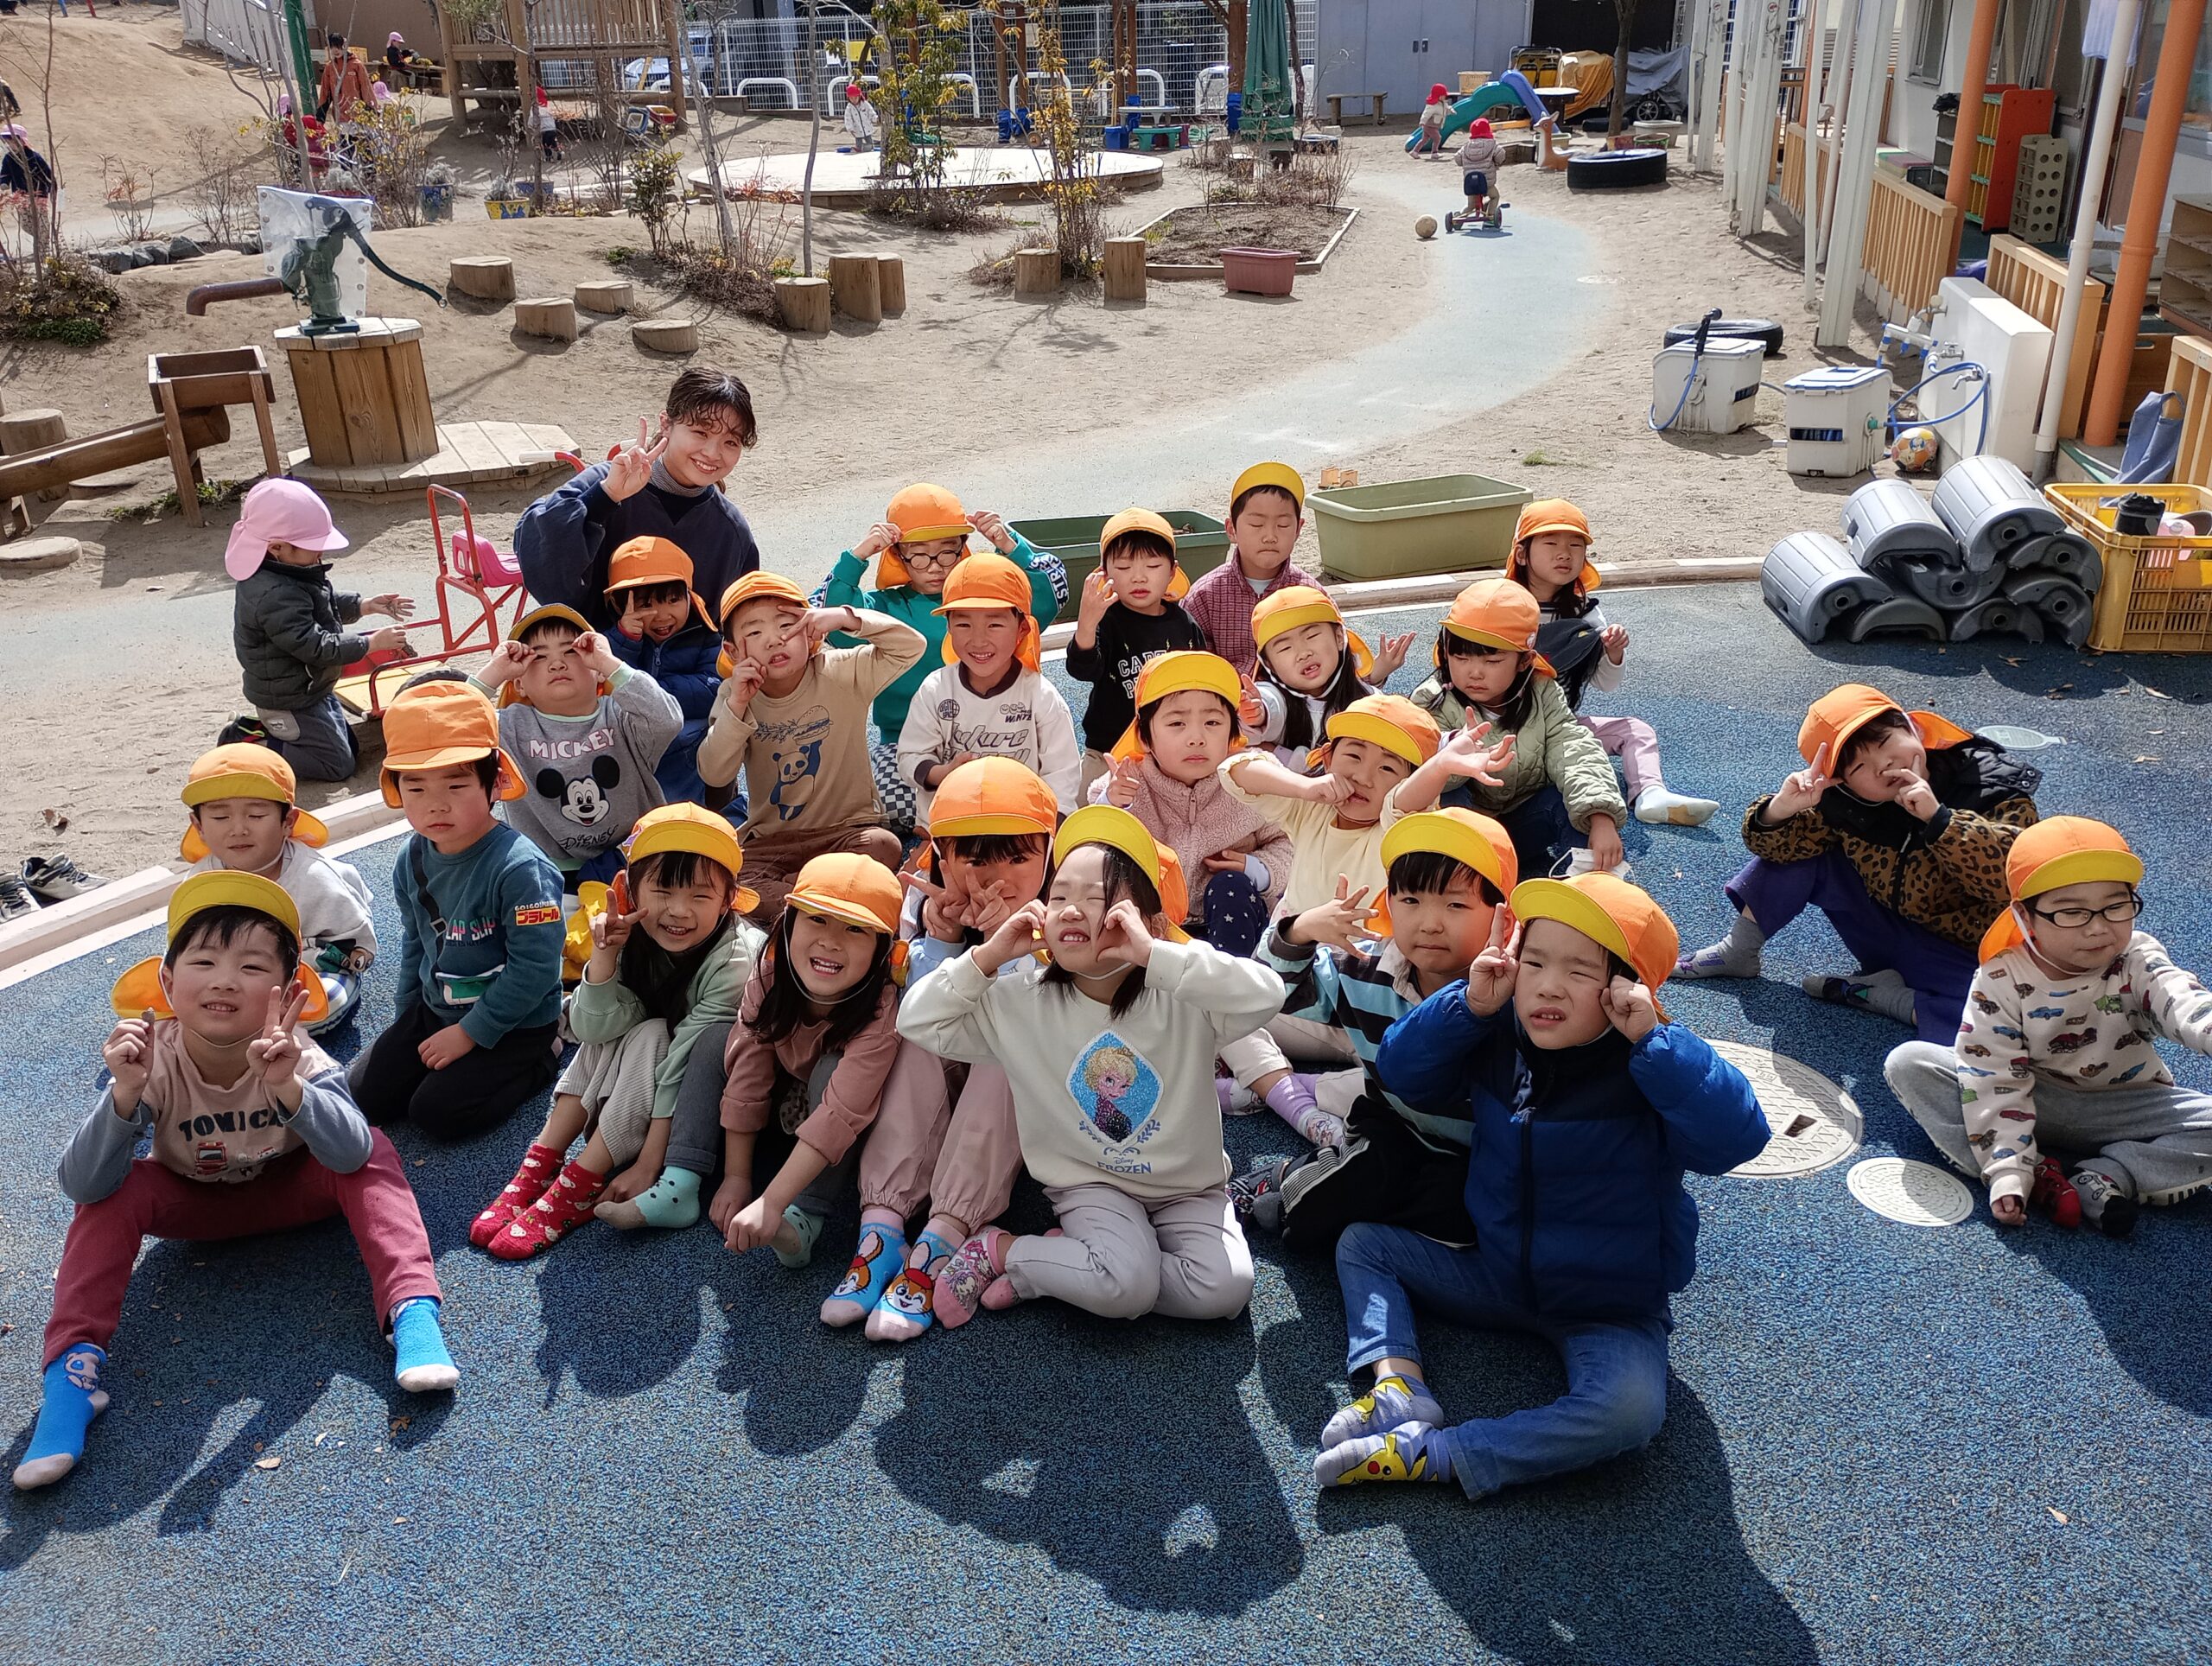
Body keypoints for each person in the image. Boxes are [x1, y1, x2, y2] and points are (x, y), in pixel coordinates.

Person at [1315, 873, 1767, 1495]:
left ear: (1626, 988)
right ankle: (1399, 1388)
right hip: (1497, 1273)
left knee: (1630, 1410)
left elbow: (1738, 1139)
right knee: (1364, 1244)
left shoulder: (1652, 1065)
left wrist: (1656, 1043)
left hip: (1607, 1308)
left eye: (1580, 971)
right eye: (1534, 962)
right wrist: (1468, 1007)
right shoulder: (1498, 1034)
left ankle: (1441, 1453)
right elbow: (1403, 1072)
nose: (1548, 985)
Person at [16, 874, 455, 1492]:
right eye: (203, 962)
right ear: (168, 982)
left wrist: (288, 1089)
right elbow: (83, 1186)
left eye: (251, 967)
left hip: (293, 1191)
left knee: (374, 1148)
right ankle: (71, 1379)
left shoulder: (297, 1054)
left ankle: (411, 1309)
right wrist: (124, 1097)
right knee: (113, 1194)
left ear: (289, 992)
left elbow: (352, 1153)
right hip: (197, 1204)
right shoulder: (153, 1059)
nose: (224, 980)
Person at [896, 806, 1286, 1323]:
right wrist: (988, 957)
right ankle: (1008, 1250)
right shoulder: (1021, 1000)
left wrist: (1156, 955)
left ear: (1145, 921)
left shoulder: (1182, 994)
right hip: (1091, 1184)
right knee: (1126, 1285)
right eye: (1059, 897)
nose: (1072, 910)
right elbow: (916, 1021)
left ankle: (1061, 1266)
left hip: (1188, 1188)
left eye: (1097, 898)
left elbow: (1268, 994)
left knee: (1224, 1291)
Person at [1885, 817, 2212, 1237]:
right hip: (2035, 1093)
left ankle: (2109, 1175)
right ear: (2025, 917)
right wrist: (2007, 1168)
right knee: (1911, 1063)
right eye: (2072, 912)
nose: (2098, 926)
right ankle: (2033, 1172)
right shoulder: (2001, 977)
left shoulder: (2136, 957)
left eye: (2116, 906)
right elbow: (1993, 1075)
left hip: (2124, 1104)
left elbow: (2180, 998)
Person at [1213, 695, 1511, 1145]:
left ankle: (1275, 1090)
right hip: (1307, 989)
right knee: (1217, 1004)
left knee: (1403, 1077)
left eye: (1388, 767)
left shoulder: (1399, 830)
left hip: (1374, 1001)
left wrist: (1440, 767)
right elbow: (1235, 770)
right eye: (1353, 755)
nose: (1364, 776)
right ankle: (1285, 1096)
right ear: (1327, 757)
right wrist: (1307, 788)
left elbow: (1404, 802)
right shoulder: (1310, 809)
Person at [1675, 683, 2041, 1043]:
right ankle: (1738, 951)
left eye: (1885, 743)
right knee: (1800, 848)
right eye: (1860, 767)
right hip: (1882, 929)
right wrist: (1780, 809)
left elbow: (2015, 877)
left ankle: (1889, 999)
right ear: (1844, 782)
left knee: (2011, 1018)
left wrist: (1940, 821)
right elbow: (1776, 850)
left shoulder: (1989, 784)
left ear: (1913, 727)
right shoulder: (1847, 802)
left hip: (1966, 953)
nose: (1883, 766)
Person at [474, 805, 765, 1256]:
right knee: (622, 1026)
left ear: (728, 900)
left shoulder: (736, 959)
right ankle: (540, 1163)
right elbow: (589, 1028)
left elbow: (683, 1064)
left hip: (703, 1111)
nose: (679, 911)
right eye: (662, 890)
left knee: (653, 1033)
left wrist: (649, 1165)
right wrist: (605, 956)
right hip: (640, 1091)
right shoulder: (631, 933)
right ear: (630, 890)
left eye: (700, 896)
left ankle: (583, 1177)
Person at [1236, 808, 1516, 1248]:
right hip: (1393, 1131)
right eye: (1411, 900)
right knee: (1307, 1224)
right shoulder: (1364, 968)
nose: (1430, 923)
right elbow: (1268, 993)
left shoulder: (1516, 993)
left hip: (1479, 1151)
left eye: (1456, 904)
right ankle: (1288, 1176)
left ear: (1505, 918)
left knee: (1466, 1224)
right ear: (1389, 904)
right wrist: (1301, 930)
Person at [860, 758, 1057, 1337]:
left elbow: (1045, 1020)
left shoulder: (1063, 911)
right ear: (941, 858)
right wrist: (945, 942)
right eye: (974, 859)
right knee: (914, 1038)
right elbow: (919, 1019)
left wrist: (1006, 945)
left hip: (1026, 1095)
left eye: (1018, 857)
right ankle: (883, 1223)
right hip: (947, 1072)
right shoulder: (923, 907)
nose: (997, 876)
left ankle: (946, 1228)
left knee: (1007, 1051)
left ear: (1049, 852)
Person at [346, 681, 565, 1141]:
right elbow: (415, 940)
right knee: (364, 1097)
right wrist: (405, 1018)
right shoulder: (411, 857)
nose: (436, 804)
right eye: (416, 787)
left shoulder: (521, 869)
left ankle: (545, 1058)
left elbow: (536, 970)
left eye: (457, 784)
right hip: (438, 1006)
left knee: (436, 1114)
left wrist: (470, 1033)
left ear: (495, 782)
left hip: (517, 1021)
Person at [710, 855, 947, 1275]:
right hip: (788, 1096)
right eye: (817, 919)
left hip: (843, 1122)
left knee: (830, 1068)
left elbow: (842, 1113)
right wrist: (737, 1177)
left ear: (885, 951)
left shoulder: (882, 1010)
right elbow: (749, 1069)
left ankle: (806, 1217)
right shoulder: (768, 974)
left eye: (856, 929)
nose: (831, 942)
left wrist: (771, 1203)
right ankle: (682, 1173)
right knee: (713, 1041)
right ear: (788, 924)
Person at [697, 574, 922, 919]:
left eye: (787, 625)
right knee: (734, 883)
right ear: (732, 651)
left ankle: (800, 902)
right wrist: (737, 706)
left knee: (884, 845)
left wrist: (846, 617)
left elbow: (911, 645)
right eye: (754, 633)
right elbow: (714, 773)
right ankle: (825, 896)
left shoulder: (843, 672)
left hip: (848, 832)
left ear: (810, 631)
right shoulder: (734, 695)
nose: (774, 640)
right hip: (773, 841)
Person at [1505, 500, 1717, 827]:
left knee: (1636, 730)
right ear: (1522, 554)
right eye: (1551, 544)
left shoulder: (1585, 613)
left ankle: (1650, 793)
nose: (1564, 554)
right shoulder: (1501, 603)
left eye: (1575, 546)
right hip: (1507, 729)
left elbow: (1606, 683)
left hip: (1560, 727)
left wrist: (1612, 652)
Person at [816, 482, 1065, 751]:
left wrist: (1011, 546)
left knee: (1021, 774)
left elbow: (1047, 599)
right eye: (919, 554)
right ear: (898, 555)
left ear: (963, 547)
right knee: (895, 778)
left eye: (947, 552)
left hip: (992, 735)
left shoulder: (988, 596)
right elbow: (834, 626)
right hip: (904, 739)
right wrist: (857, 556)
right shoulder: (885, 606)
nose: (935, 567)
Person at [1410, 576, 1627, 879]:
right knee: (1446, 796)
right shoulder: (1433, 699)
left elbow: (1574, 748)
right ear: (1445, 653)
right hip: (1468, 835)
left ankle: (1591, 886)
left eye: (1492, 660)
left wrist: (1600, 815)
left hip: (1524, 826)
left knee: (1572, 806)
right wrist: (1457, 755)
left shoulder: (1542, 692)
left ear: (1524, 661)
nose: (1474, 672)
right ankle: (1453, 887)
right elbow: (1417, 772)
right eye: (1460, 657)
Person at [514, 369, 761, 633]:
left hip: (689, 662)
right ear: (666, 424)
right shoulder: (607, 480)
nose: (712, 453)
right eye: (701, 432)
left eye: (730, 442)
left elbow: (738, 627)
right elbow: (540, 560)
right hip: (589, 652)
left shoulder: (730, 531)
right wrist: (605, 497)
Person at [1095, 650, 1293, 957]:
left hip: (1233, 922)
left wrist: (1256, 868)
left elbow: (1290, 839)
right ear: (1145, 738)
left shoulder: (1250, 778)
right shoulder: (1128, 782)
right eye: (1177, 723)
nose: (1197, 737)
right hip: (1157, 925)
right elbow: (1092, 850)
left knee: (1230, 885)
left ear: (1233, 734)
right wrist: (1112, 804)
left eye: (1212, 722)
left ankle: (1234, 979)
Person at [472, 603, 683, 888]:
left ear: (598, 672)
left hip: (639, 856)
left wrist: (610, 663)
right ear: (518, 684)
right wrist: (494, 672)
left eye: (571, 651)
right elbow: (445, 726)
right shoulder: (509, 727)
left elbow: (667, 720)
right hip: (550, 869)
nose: (557, 664)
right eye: (538, 657)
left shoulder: (621, 715)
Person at [227, 479, 413, 783]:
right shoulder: (273, 593)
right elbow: (314, 645)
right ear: (277, 547)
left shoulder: (288, 572)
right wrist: (370, 643)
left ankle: (270, 731)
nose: (321, 552)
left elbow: (321, 602)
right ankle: (249, 743)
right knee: (336, 766)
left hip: (311, 687)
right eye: (313, 547)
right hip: (289, 698)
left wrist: (364, 605)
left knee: (350, 748)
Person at [179, 744, 375, 1032]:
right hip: (229, 977)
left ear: (288, 822)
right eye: (220, 817)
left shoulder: (315, 878)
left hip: (305, 968)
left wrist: (295, 966)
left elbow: (354, 946)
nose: (238, 829)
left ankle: (246, 1031)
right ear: (198, 827)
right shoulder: (200, 882)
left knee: (324, 1001)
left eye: (256, 815)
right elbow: (184, 950)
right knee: (167, 998)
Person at [896, 551, 1080, 821]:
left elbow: (1062, 775)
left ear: (1022, 629)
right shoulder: (935, 689)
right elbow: (910, 756)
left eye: (994, 624)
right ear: (948, 627)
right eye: (963, 624)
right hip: (951, 823)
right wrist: (943, 773)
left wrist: (1049, 830)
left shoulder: (1040, 696)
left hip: (1019, 822)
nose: (978, 640)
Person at [1065, 510, 1207, 800]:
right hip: (1108, 751)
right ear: (1105, 573)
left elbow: (1202, 682)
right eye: (1124, 567)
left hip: (1170, 753)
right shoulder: (1107, 620)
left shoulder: (1184, 623)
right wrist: (1087, 625)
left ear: (1172, 571)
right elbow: (1082, 669)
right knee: (1085, 812)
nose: (1139, 577)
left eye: (1153, 566)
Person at [601, 535, 723, 805]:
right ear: (620, 606)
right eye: (646, 605)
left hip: (687, 744)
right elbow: (605, 687)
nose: (662, 614)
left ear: (689, 598)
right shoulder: (613, 642)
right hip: (632, 742)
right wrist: (625, 641)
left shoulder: (704, 635)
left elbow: (713, 689)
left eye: (672, 600)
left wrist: (651, 691)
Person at [1239, 585, 1411, 768]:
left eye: (1312, 636)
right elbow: (1267, 706)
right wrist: (1257, 714)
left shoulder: (1368, 699)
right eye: (1285, 648)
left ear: (1339, 638)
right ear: (1269, 664)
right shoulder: (1276, 699)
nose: (1303, 653)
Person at [1178, 463, 1325, 677]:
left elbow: (1337, 664)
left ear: (1298, 529)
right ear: (1231, 529)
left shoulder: (1311, 595)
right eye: (1256, 524)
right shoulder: (1204, 597)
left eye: (1283, 525)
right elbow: (1190, 668)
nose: (1270, 536)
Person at [317, 34, 374, 131]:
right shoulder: (330, 68)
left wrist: (371, 110)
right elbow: (325, 93)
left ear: (344, 45)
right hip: (340, 116)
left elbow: (366, 89)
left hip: (358, 115)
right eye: (332, 47)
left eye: (338, 46)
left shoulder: (356, 65)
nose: (335, 50)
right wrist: (320, 116)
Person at [1455, 118, 1499, 219]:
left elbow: (1457, 158)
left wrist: (1464, 163)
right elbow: (1501, 155)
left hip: (1471, 183)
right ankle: (1490, 215)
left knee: (1471, 205)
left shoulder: (1466, 147)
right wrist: (1497, 162)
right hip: (1486, 183)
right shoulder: (1492, 145)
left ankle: (1458, 218)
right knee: (1494, 197)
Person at [1413, 82, 1449, 157]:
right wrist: (1422, 121)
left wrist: (1451, 111)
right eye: (1442, 95)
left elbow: (1446, 109)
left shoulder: (1443, 103)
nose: (1444, 97)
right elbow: (1426, 114)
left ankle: (1415, 152)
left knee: (1425, 139)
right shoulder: (1432, 105)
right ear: (1437, 95)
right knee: (1437, 138)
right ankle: (1434, 152)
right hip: (1429, 126)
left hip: (1433, 125)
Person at [843, 81, 881, 149]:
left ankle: (869, 147)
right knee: (859, 145)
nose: (854, 100)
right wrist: (850, 128)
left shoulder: (865, 104)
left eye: (855, 98)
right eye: (851, 98)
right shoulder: (849, 108)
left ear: (859, 96)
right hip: (857, 129)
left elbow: (871, 112)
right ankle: (859, 148)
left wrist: (875, 119)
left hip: (867, 128)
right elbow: (848, 119)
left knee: (870, 143)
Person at [534, 83, 562, 162]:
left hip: (545, 129)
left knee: (546, 143)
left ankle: (549, 156)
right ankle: (558, 151)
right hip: (552, 128)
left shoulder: (537, 108)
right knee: (553, 141)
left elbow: (533, 119)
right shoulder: (549, 105)